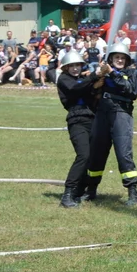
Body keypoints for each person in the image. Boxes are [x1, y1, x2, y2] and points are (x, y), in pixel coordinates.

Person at [86, 43, 137, 206]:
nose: (119, 60)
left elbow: (133, 91)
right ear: (110, 58)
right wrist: (97, 75)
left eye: (122, 58)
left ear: (126, 60)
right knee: (96, 152)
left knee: (123, 153)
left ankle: (133, 193)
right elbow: (89, 89)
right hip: (102, 114)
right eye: (116, 57)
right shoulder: (105, 72)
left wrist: (113, 73)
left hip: (121, 114)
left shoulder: (131, 73)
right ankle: (91, 190)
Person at [56, 49, 102, 208]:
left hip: (92, 119)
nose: (75, 68)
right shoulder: (64, 79)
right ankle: (67, 195)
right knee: (83, 155)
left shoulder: (84, 79)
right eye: (72, 65)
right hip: (77, 121)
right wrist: (93, 76)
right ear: (66, 67)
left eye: (78, 65)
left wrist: (101, 78)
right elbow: (77, 88)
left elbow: (92, 91)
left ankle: (79, 191)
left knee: (90, 158)